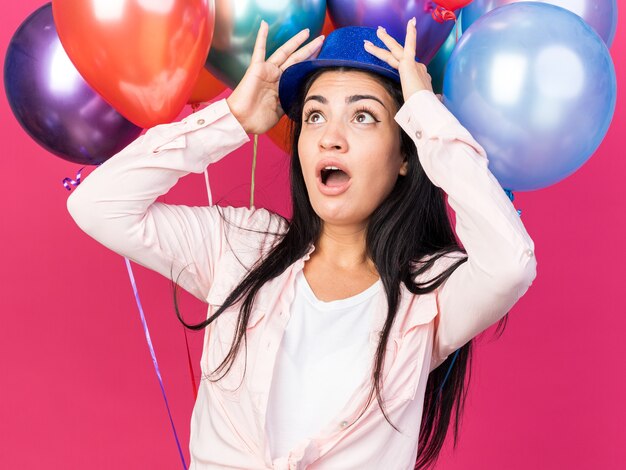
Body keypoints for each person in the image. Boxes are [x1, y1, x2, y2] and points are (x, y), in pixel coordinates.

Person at [67, 18, 537, 470]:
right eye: (315, 116)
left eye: (363, 117)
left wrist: (426, 116)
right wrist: (231, 120)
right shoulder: (241, 248)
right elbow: (98, 204)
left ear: (404, 156)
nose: (331, 138)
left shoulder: (430, 291)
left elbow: (510, 263)